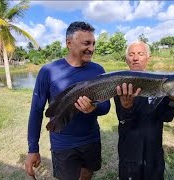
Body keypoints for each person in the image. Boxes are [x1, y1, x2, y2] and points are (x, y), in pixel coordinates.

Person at [25, 21, 111, 180]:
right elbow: (36, 111)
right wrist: (33, 149)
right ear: (69, 43)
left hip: (91, 139)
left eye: (93, 43)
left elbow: (106, 106)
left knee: (86, 175)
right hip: (63, 143)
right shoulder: (48, 71)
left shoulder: (98, 70)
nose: (91, 48)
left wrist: (94, 109)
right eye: (86, 43)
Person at [114, 41, 174, 180]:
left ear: (148, 58)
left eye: (140, 54)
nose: (135, 58)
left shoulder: (159, 83)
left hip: (154, 151)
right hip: (129, 151)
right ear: (127, 59)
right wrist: (126, 107)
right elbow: (123, 118)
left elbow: (167, 117)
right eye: (131, 54)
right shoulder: (121, 84)